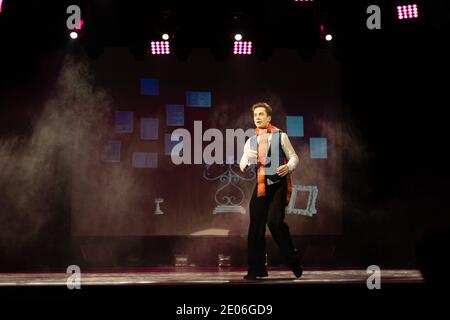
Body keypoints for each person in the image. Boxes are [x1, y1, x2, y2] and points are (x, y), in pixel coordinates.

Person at [239, 102, 303, 280]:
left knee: (274, 223)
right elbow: (242, 163)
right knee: (256, 227)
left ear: (269, 117)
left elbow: (294, 157)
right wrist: (247, 162)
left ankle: (293, 260)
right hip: (261, 186)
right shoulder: (251, 141)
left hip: (278, 184)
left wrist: (288, 167)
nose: (258, 117)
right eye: (255, 115)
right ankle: (256, 269)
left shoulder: (280, 136)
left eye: (261, 114)